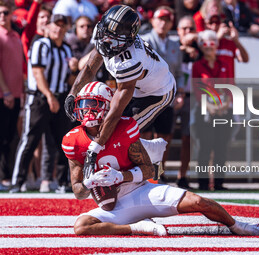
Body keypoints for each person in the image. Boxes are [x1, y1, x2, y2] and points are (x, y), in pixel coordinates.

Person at [62, 81, 259, 236]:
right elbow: (78, 192)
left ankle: (237, 226)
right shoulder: (73, 140)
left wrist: (120, 176)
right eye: (84, 104)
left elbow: (149, 170)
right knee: (81, 226)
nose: (87, 110)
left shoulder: (124, 128)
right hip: (114, 205)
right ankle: (139, 227)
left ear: (109, 107)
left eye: (94, 104)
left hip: (141, 191)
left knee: (198, 201)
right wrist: (88, 183)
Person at [64, 5, 177, 179]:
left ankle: (152, 164)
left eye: (114, 39)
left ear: (128, 40)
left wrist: (95, 147)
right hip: (138, 87)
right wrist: (73, 93)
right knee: (112, 132)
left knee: (121, 133)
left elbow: (116, 110)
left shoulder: (130, 60)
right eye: (105, 35)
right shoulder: (107, 36)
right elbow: (89, 67)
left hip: (157, 92)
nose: (107, 41)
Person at [10, 14, 79, 193]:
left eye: (63, 26)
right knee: (30, 139)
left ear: (66, 29)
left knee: (63, 142)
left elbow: (70, 81)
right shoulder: (40, 44)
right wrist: (49, 96)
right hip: (40, 99)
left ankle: (64, 182)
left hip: (60, 96)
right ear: (48, 27)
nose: (59, 29)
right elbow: (38, 73)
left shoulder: (66, 49)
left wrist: (73, 70)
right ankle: (18, 182)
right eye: (56, 25)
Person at [141, 6, 184, 179]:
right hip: (147, 95)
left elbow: (180, 73)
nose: (163, 23)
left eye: (167, 19)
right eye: (161, 18)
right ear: (153, 21)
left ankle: (158, 172)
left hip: (168, 96)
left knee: (164, 136)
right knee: (144, 134)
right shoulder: (143, 41)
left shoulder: (174, 44)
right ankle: (143, 170)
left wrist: (180, 92)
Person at [192, 30, 234, 191]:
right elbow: (197, 89)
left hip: (224, 110)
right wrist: (209, 106)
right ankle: (202, 183)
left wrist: (225, 105)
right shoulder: (197, 65)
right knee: (205, 147)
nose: (208, 47)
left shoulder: (225, 64)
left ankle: (218, 183)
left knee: (221, 147)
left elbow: (231, 86)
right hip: (205, 111)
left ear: (217, 45)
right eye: (204, 43)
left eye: (212, 43)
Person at [0, 1, 24, 191]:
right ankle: (3, 177)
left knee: (10, 137)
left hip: (16, 95)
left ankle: (7, 176)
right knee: (2, 137)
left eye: (5, 12)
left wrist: (20, 92)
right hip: (3, 95)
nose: (2, 16)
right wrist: (6, 91)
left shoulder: (16, 35)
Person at [175, 15, 200, 189]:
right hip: (173, 96)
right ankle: (157, 174)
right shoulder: (172, 47)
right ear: (178, 31)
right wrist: (183, 48)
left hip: (192, 97)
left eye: (191, 28)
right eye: (184, 29)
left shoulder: (200, 49)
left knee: (188, 138)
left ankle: (182, 176)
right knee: (163, 138)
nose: (188, 32)